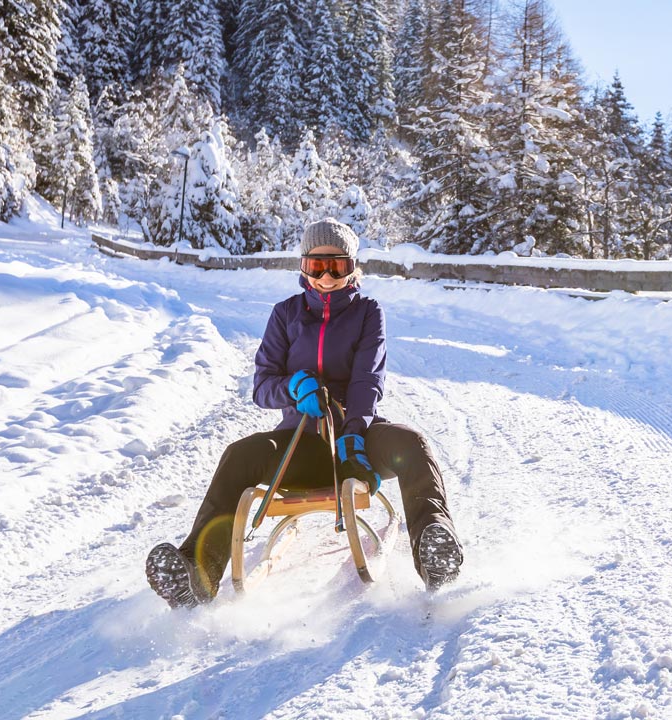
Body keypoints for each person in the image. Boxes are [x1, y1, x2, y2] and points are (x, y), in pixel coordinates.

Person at [145, 218, 463, 608]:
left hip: (358, 442)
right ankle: (197, 572)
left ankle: (434, 547)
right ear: (303, 267)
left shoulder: (368, 313)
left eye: (338, 267)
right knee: (239, 455)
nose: (327, 277)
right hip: (302, 443)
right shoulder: (285, 314)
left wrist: (353, 434)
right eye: (317, 266)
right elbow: (262, 386)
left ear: (353, 268)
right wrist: (294, 388)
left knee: (411, 443)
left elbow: (368, 381)